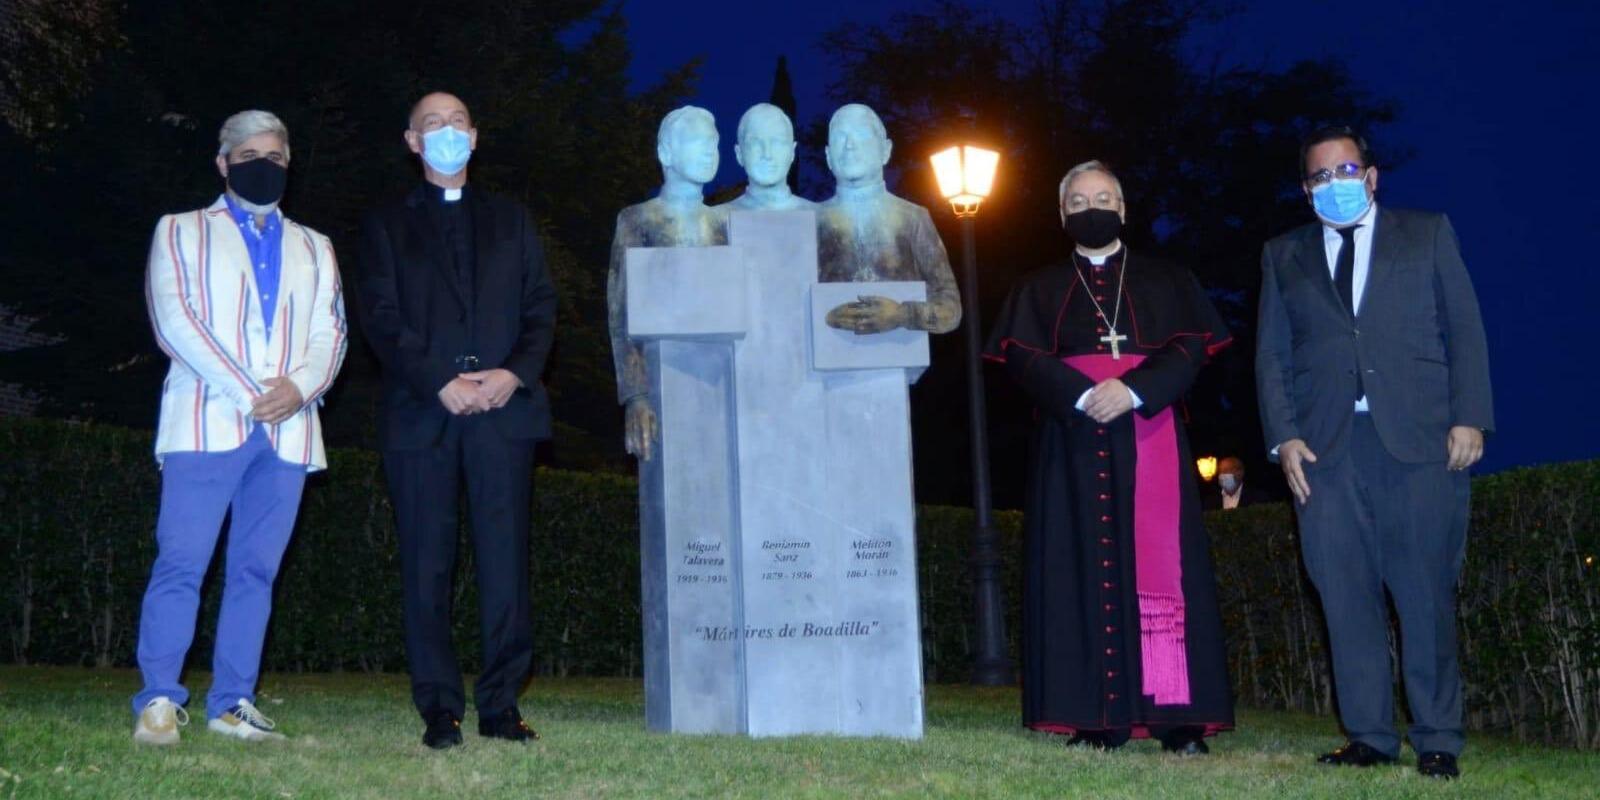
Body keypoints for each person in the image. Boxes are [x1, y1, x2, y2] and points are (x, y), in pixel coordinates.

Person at [1256, 126, 1492, 779]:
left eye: (1346, 169)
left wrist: (1470, 415)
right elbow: (1272, 356)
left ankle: (1438, 737)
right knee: (1344, 596)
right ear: (1306, 189)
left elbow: (1465, 330)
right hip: (1325, 450)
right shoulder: (1284, 255)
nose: (1335, 183)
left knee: (1424, 595)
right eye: (1320, 175)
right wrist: (1284, 438)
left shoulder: (1427, 232)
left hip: (1418, 444)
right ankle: (1368, 736)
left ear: (1371, 175)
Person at [984, 160, 1234, 754]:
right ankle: (1093, 715)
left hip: (1149, 431)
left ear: (1123, 208)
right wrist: (1078, 394)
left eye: (1102, 197)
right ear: (1061, 214)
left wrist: (1134, 389)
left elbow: (1192, 345)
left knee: (1166, 571)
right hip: (1070, 441)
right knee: (1075, 569)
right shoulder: (1036, 287)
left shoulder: (1168, 279)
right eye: (1077, 200)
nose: (1089, 207)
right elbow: (1020, 356)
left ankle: (1178, 719)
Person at [133, 109, 348, 745]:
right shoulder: (180, 230)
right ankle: (159, 700)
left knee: (256, 572)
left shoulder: (317, 246)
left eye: (277, 157)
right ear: (224, 162)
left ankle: (233, 703)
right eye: (251, 154)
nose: (265, 166)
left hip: (288, 432)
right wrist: (253, 391)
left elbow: (330, 333)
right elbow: (175, 319)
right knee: (182, 563)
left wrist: (298, 389)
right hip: (207, 422)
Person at [357, 92, 558, 749]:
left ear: (476, 136)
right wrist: (438, 379)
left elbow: (540, 308)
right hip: (424, 413)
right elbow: (381, 316)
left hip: (503, 413)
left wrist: (513, 373)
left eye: (458, 122)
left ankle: (501, 704)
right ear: (413, 141)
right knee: (426, 565)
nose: (447, 132)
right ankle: (438, 708)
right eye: (432, 124)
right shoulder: (385, 223)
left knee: (505, 564)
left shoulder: (513, 220)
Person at [606, 105, 728, 460]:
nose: (709, 150)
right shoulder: (638, 219)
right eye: (697, 141)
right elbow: (620, 312)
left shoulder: (729, 223)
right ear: (665, 152)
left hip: (723, 385)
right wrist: (636, 395)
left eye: (714, 142)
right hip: (662, 382)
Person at [815, 104, 960, 335]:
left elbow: (951, 308)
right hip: (827, 361)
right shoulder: (809, 221)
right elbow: (787, 305)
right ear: (828, 156)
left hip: (900, 362)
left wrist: (903, 315)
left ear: (886, 150)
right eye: (839, 137)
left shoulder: (913, 218)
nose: (849, 145)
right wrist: (822, 317)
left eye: (861, 135)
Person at [726, 103, 812, 211]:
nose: (767, 154)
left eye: (777, 142)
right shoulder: (720, 218)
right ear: (739, 154)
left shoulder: (820, 217)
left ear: (792, 152)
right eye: (755, 142)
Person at [1201, 457, 1267, 511]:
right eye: (1220, 472)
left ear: (1240, 473)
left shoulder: (1257, 497)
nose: (1222, 475)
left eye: (1226, 470)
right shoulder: (1210, 501)